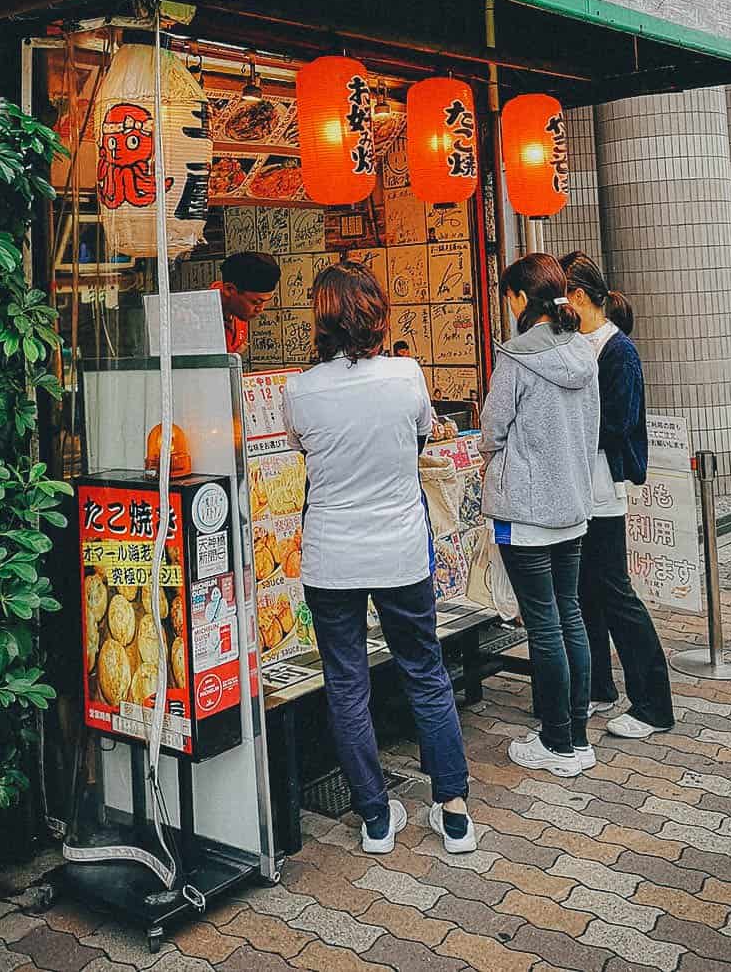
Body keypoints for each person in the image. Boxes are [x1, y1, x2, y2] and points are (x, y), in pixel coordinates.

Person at [283, 261, 477, 855]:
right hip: (399, 551)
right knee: (425, 671)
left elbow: (303, 451)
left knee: (346, 685)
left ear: (319, 319)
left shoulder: (299, 390)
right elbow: (420, 437)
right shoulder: (406, 376)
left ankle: (373, 817)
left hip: (331, 555)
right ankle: (454, 809)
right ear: (376, 314)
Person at [480, 254, 599, 777]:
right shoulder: (582, 352)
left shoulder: (515, 358)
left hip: (525, 513)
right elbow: (590, 431)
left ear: (521, 299)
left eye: (509, 297)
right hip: (572, 508)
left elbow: (492, 430)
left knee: (544, 623)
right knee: (569, 613)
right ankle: (577, 736)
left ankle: (556, 742)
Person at [560, 251, 675, 740]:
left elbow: (618, 423)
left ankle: (652, 703)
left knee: (615, 593)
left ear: (580, 297)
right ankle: (598, 686)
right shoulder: (582, 345)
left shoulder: (616, 350)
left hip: (601, 491)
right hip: (580, 491)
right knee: (588, 592)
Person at [211, 251, 281, 353]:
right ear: (229, 290)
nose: (260, 309)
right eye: (256, 302)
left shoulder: (238, 312)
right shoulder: (199, 320)